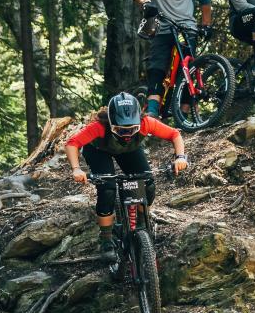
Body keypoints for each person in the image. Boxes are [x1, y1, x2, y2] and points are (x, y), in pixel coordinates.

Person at [64, 92, 188, 262]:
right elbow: (72, 144)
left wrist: (180, 157)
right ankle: (106, 238)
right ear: (112, 123)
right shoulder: (99, 127)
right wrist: (76, 169)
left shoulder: (146, 123)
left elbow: (174, 134)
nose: (127, 134)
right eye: (121, 130)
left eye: (132, 129)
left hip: (129, 150)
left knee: (147, 183)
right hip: (99, 151)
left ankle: (142, 222)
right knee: (107, 189)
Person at [132, 0, 213, 118]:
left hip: (186, 27)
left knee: (187, 71)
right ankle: (152, 113)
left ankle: (182, 118)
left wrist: (206, 24)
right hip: (162, 28)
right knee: (156, 67)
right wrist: (146, 3)